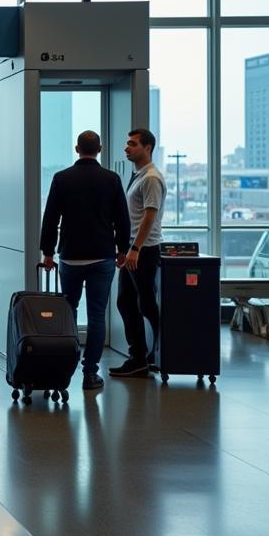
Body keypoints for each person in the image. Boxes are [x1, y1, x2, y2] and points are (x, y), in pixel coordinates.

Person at [39, 130, 131, 391]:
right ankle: (90, 373)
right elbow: (122, 219)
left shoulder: (61, 179)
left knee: (67, 316)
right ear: (99, 149)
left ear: (76, 148)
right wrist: (123, 249)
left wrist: (47, 252)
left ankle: (62, 372)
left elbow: (50, 219)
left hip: (70, 257)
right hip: (102, 256)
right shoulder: (111, 179)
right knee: (97, 316)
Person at [111, 128, 167, 377]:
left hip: (143, 251)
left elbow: (150, 216)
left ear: (148, 148)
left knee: (146, 305)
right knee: (126, 301)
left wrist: (135, 249)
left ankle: (157, 353)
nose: (127, 148)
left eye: (132, 144)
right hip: (134, 250)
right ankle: (140, 356)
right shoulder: (138, 176)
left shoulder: (151, 178)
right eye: (127, 142)